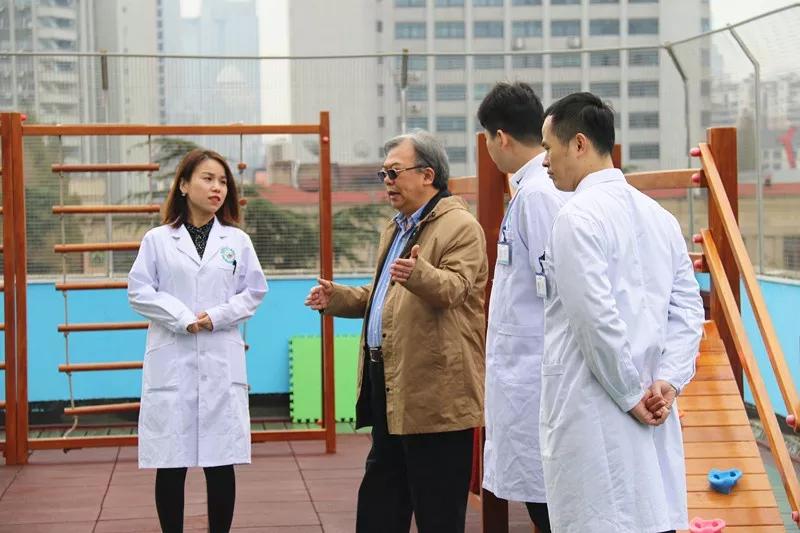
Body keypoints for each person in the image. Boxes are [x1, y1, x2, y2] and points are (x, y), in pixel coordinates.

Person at [304, 130, 487, 533]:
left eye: (394, 172)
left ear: (427, 174)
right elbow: (385, 298)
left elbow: (456, 289)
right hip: (389, 382)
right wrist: (337, 298)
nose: (386, 181)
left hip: (437, 395)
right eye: (383, 173)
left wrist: (420, 274)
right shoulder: (397, 227)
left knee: (438, 512)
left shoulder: (460, 226)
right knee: (381, 504)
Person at [538, 92, 704, 533]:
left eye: (548, 148)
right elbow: (688, 311)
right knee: (650, 517)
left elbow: (595, 322)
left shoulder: (576, 218)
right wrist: (668, 380)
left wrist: (632, 397)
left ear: (578, 143)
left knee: (602, 518)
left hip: (598, 408)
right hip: (654, 401)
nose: (545, 162)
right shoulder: (660, 217)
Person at [128, 148, 268, 533]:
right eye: (207, 179)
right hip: (172, 360)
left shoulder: (236, 241)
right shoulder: (158, 240)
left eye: (223, 181)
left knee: (220, 463)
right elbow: (139, 291)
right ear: (184, 186)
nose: (217, 187)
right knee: (170, 463)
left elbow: (254, 291)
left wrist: (216, 317)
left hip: (220, 359)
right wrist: (183, 319)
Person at [476, 81, 569, 533]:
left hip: (538, 373)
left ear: (501, 137)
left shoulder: (538, 195)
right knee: (539, 499)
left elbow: (561, 285)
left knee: (548, 506)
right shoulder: (527, 190)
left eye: (486, 139)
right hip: (524, 372)